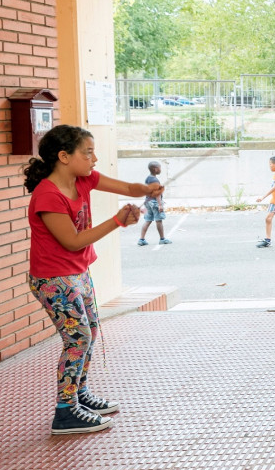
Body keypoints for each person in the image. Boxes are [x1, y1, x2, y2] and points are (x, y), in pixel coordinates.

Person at [23, 124, 161, 435]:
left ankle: (78, 395)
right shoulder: (48, 195)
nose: (94, 158)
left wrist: (146, 189)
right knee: (78, 339)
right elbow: (72, 241)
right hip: (53, 279)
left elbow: (127, 189)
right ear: (64, 156)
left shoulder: (83, 179)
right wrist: (117, 221)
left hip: (77, 273)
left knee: (90, 332)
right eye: (87, 153)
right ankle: (65, 411)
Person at [137, 160, 171, 245]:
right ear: (155, 169)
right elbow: (157, 194)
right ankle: (162, 239)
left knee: (147, 220)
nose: (160, 170)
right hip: (155, 202)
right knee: (159, 220)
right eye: (160, 168)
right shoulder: (155, 180)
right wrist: (160, 205)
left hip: (148, 202)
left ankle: (141, 239)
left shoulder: (148, 178)